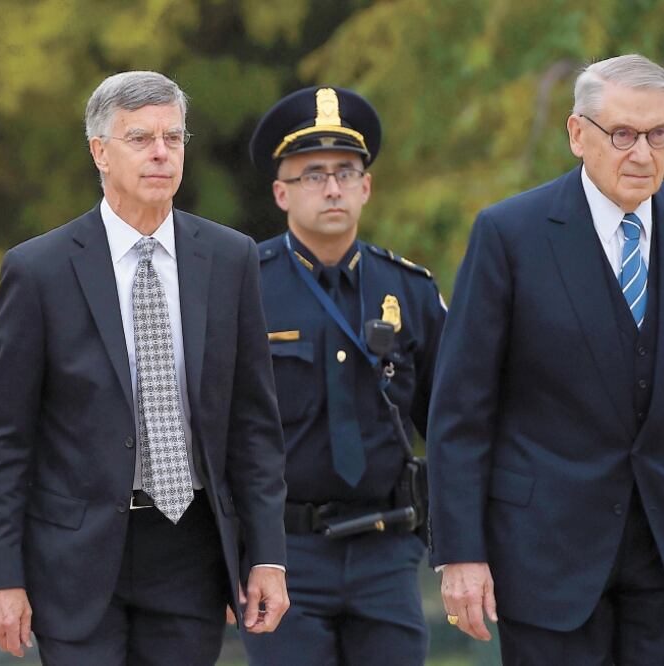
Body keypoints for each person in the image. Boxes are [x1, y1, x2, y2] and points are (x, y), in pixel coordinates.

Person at [427, 54, 664, 665]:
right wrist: (461, 554)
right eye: (623, 134)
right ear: (578, 134)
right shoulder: (509, 234)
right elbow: (461, 412)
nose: (643, 154)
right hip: (545, 557)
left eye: (659, 134)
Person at [0, 70, 289, 665]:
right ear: (100, 152)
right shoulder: (38, 271)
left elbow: (254, 424)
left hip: (191, 550)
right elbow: (6, 440)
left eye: (174, 137)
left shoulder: (230, 259)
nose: (161, 153)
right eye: (140, 138)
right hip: (75, 556)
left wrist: (267, 555)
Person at [240, 86, 446, 665]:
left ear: (366, 187)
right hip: (283, 556)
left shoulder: (409, 291)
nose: (332, 187)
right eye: (313, 174)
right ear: (281, 192)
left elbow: (455, 423)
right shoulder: (244, 289)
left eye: (346, 172)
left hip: (388, 552)